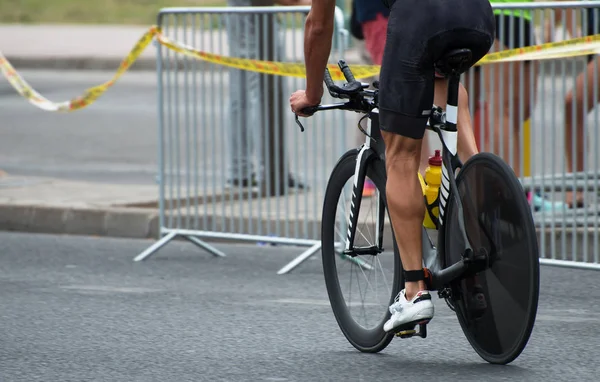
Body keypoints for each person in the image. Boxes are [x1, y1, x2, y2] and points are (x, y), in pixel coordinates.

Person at [290, 0, 495, 332]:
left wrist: (312, 96)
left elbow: (318, 25)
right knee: (454, 110)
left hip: (421, 17)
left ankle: (414, 291)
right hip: (477, 16)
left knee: (400, 156)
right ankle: (483, 224)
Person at [350, 0, 432, 198]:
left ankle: (417, 172)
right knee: (394, 96)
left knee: (387, 96)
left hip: (386, 16)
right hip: (383, 16)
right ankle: (371, 171)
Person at [225, 0, 310, 191]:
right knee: (263, 92)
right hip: (253, 15)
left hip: (245, 14)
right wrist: (302, 3)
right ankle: (270, 172)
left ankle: (242, 172)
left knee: (242, 93)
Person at [545, 3, 600, 208]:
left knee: (574, 102)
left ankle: (575, 189)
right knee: (574, 105)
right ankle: (576, 189)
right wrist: (556, 25)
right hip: (593, 45)